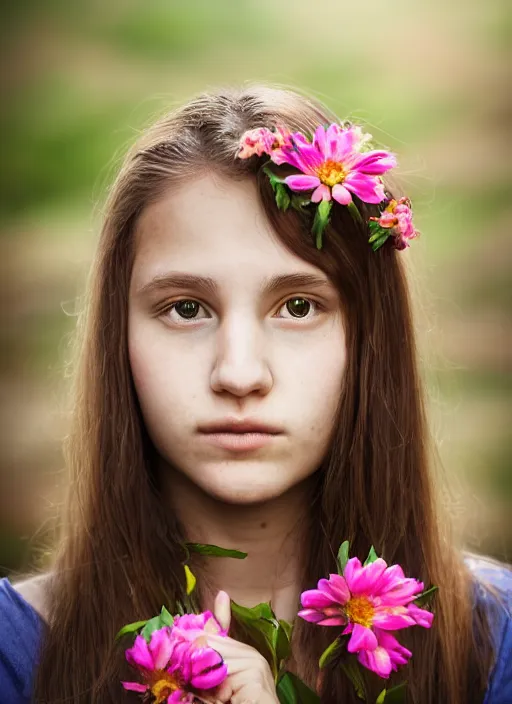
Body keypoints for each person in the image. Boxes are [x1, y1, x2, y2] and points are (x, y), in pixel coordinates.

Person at [0, 84, 510, 704]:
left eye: (298, 306)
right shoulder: (14, 655)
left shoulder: (493, 648)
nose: (239, 374)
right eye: (186, 308)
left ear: (370, 339)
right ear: (118, 335)